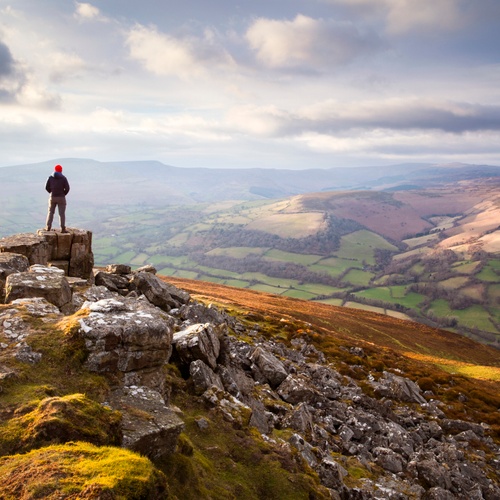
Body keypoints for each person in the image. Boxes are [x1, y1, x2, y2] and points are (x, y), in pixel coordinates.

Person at [45, 164, 70, 233]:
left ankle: (48, 227)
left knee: (50, 212)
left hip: (52, 197)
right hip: (61, 197)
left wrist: (51, 192)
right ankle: (62, 229)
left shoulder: (50, 177)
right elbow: (67, 188)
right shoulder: (64, 178)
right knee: (61, 214)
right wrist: (63, 194)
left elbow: (46, 187)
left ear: (55, 170)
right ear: (61, 170)